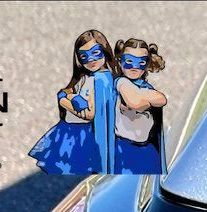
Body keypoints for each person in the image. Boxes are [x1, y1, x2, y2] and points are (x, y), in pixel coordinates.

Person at [29, 30, 119, 174]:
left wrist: (64, 100)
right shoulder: (87, 77)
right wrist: (72, 98)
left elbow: (89, 113)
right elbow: (70, 92)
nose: (90, 59)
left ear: (105, 51)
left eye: (95, 53)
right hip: (71, 133)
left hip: (82, 136)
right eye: (84, 56)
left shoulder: (101, 80)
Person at [113, 38, 168, 174]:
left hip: (146, 145)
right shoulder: (121, 82)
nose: (134, 67)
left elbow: (161, 99)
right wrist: (146, 99)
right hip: (124, 146)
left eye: (141, 62)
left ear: (147, 64)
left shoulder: (144, 86)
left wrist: (143, 97)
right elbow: (136, 103)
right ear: (120, 62)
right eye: (129, 61)